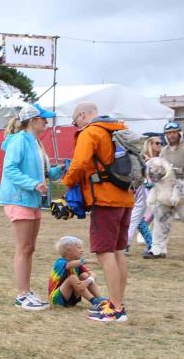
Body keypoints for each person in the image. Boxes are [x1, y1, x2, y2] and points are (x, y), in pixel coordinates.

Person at [62, 101, 133, 322]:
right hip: (125, 197)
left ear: (83, 115)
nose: (76, 126)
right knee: (118, 250)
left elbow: (80, 163)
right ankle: (118, 303)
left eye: (75, 122)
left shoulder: (91, 132)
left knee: (104, 252)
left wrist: (66, 182)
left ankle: (114, 308)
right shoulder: (118, 129)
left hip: (105, 199)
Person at [0, 104, 56, 310]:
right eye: (43, 119)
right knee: (24, 248)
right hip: (19, 199)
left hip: (32, 200)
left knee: (30, 248)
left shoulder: (36, 142)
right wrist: (33, 184)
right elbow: (10, 169)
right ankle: (22, 294)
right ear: (32, 121)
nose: (47, 123)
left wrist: (60, 171)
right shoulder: (19, 141)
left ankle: (27, 291)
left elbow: (43, 171)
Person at [48, 235, 104, 309]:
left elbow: (93, 274)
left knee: (85, 275)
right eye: (79, 247)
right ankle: (94, 301)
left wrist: (88, 281)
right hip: (56, 299)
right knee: (72, 278)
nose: (82, 250)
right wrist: (85, 261)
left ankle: (100, 300)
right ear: (68, 250)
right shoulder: (60, 262)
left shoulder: (77, 264)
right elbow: (69, 265)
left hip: (71, 298)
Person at [127, 136, 161, 253]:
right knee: (139, 220)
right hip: (144, 193)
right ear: (150, 144)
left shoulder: (159, 159)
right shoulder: (144, 158)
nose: (159, 145)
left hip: (155, 195)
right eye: (157, 143)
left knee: (138, 219)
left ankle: (127, 245)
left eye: (160, 143)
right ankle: (152, 245)